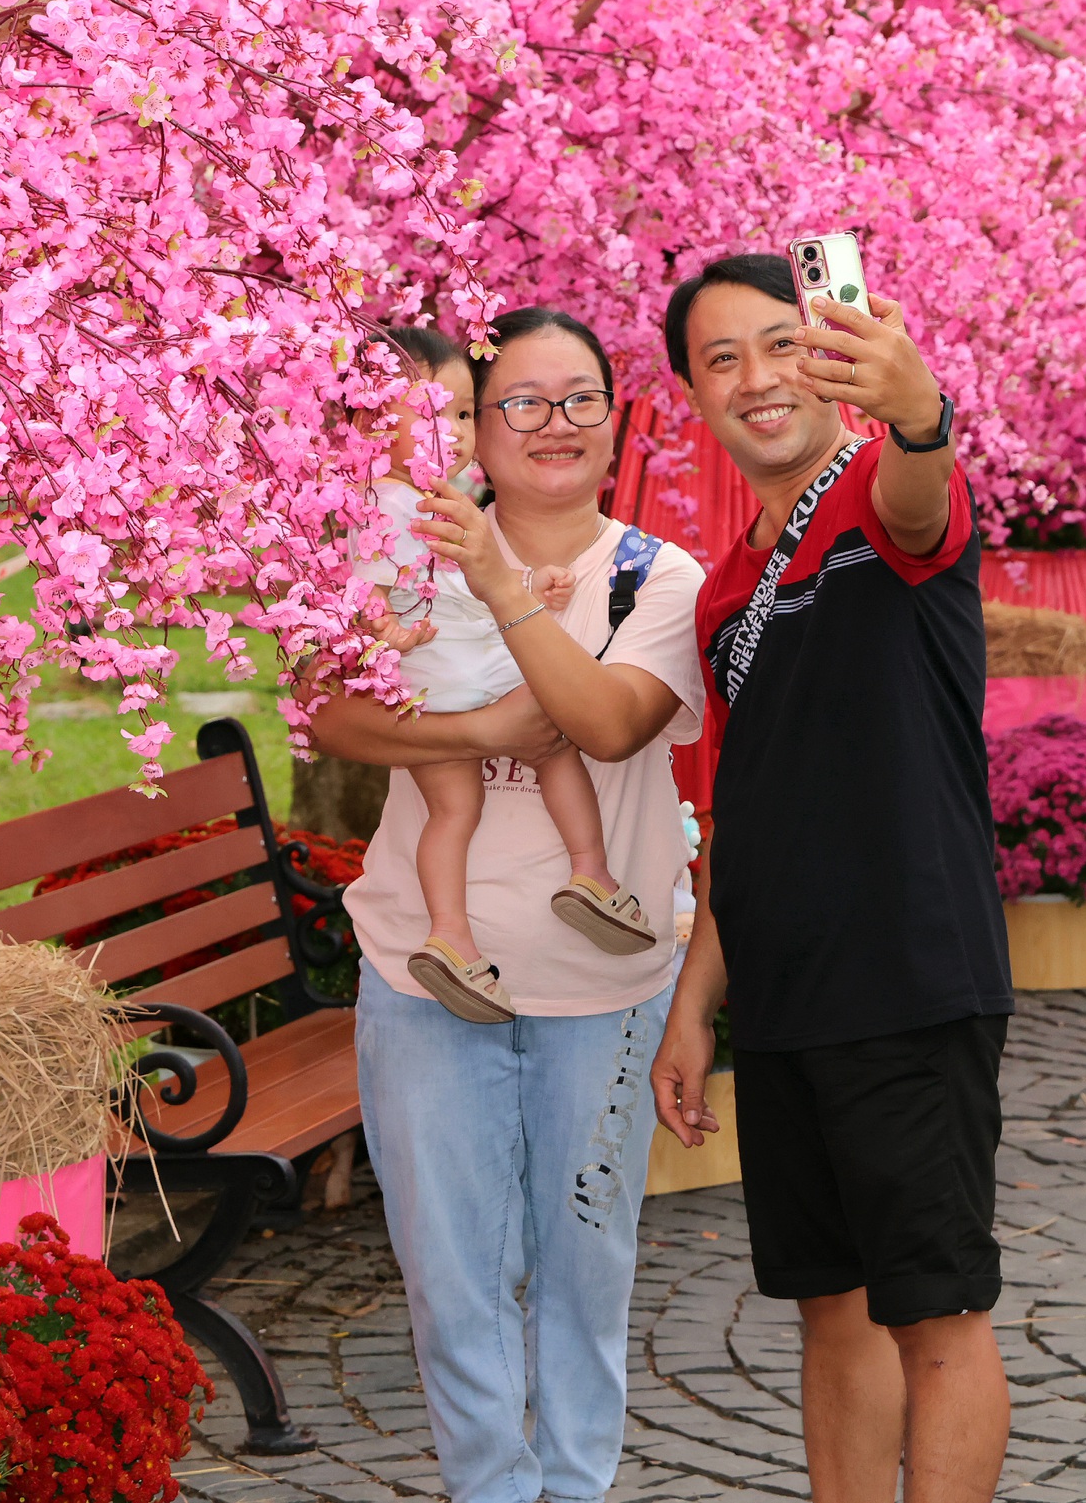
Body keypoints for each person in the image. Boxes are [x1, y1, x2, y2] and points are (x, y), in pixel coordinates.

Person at [309, 306, 708, 1503]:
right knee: (451, 1276)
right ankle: (490, 1487)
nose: (553, 424)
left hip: (604, 993)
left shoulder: (656, 577)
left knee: (587, 1268)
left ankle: (575, 1486)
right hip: (424, 986)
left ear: (617, 419)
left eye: (580, 397)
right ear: (471, 429)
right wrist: (482, 727)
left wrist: (497, 585)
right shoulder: (392, 549)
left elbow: (604, 722)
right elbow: (329, 710)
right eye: (520, 401)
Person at [649, 253, 1012, 1503]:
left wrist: (919, 413)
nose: (756, 379)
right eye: (719, 359)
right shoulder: (725, 588)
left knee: (937, 1312)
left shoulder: (875, 497)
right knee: (829, 1309)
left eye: (777, 344)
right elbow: (735, 807)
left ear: (824, 355)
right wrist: (698, 999)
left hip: (910, 973)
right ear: (692, 395)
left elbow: (922, 496)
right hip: (788, 992)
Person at [352, 326, 655, 1025]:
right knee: (553, 743)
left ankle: (450, 934)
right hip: (463, 669)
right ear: (372, 420)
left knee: (455, 810)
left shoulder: (428, 501)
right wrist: (385, 628)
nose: (452, 433)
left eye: (462, 414)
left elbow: (468, 577)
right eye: (430, 414)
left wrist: (526, 582)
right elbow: (365, 576)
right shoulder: (386, 503)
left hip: (433, 688)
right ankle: (592, 872)